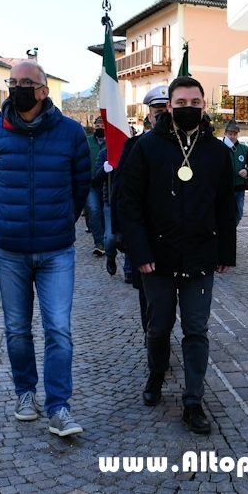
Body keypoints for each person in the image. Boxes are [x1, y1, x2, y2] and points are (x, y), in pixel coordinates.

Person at [0, 61, 90, 437]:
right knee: (17, 329)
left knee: (59, 329)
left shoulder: (70, 133)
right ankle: (25, 393)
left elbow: (80, 185)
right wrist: (4, 216)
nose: (18, 87)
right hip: (10, 250)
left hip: (57, 250)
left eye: (26, 82)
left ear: (43, 90)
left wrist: (62, 218)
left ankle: (59, 407)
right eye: (13, 81)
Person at [118, 76, 236, 434]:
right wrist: (139, 252)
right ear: (168, 107)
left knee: (196, 330)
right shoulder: (145, 147)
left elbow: (225, 205)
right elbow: (128, 203)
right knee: (158, 327)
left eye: (194, 103)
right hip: (157, 257)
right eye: (181, 103)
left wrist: (225, 250)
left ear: (204, 106)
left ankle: (193, 400)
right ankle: (156, 373)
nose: (188, 108)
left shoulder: (217, 152)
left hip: (200, 256)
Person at [111, 85, 169, 330]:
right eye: (158, 111)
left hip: (179, 238)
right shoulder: (135, 146)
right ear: (149, 115)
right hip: (147, 235)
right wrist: (120, 232)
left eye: (168, 110)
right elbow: (120, 192)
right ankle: (154, 342)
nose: (164, 116)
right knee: (150, 298)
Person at [93, 145, 131, 281]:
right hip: (110, 201)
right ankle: (110, 256)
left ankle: (128, 269)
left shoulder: (132, 149)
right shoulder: (105, 153)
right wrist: (104, 168)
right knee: (110, 238)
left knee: (130, 235)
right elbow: (97, 177)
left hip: (128, 201)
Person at [223, 119, 248, 226]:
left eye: (234, 134)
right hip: (224, 188)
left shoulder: (244, 149)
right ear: (225, 134)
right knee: (224, 213)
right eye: (230, 134)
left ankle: (233, 229)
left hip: (239, 188)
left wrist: (247, 170)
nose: (232, 137)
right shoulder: (220, 149)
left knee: (238, 213)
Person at [86, 116, 106, 256]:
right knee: (94, 210)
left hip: (106, 183)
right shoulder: (87, 142)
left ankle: (105, 237)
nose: (100, 128)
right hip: (91, 183)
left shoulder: (111, 142)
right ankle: (98, 242)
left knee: (105, 212)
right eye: (97, 126)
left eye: (102, 126)